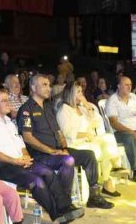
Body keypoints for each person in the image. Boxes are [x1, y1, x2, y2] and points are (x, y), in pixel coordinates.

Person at [0, 88, 84, 224]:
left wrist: (25, 157)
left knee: (48, 172)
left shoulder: (8, 121)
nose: (9, 103)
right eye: (4, 100)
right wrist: (15, 161)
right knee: (36, 180)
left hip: (20, 161)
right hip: (1, 166)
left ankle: (65, 207)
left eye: (8, 100)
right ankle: (58, 214)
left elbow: (21, 144)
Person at [18, 75, 114, 210]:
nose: (49, 88)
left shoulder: (47, 107)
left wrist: (64, 147)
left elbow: (58, 131)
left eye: (48, 85)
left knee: (89, 156)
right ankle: (64, 201)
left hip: (57, 150)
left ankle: (94, 196)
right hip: (41, 154)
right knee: (67, 160)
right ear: (33, 88)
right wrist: (50, 150)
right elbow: (27, 137)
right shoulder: (27, 109)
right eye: (44, 85)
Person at [56, 83, 122, 197]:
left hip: (88, 139)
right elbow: (66, 132)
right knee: (100, 150)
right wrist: (85, 134)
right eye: (78, 92)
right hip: (74, 144)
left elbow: (96, 120)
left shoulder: (81, 108)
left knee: (109, 138)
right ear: (70, 93)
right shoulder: (64, 110)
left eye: (82, 91)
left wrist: (87, 105)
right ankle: (107, 177)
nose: (81, 94)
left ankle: (109, 173)